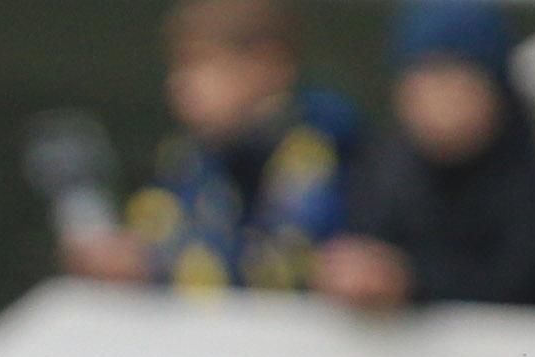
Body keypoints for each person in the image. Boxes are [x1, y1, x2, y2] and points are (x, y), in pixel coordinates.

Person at [69, 0, 359, 298]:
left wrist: (157, 265)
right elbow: (151, 225)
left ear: (267, 63)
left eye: (200, 63)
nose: (179, 85)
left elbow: (283, 266)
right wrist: (124, 257)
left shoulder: (316, 147)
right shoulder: (193, 155)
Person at [317, 1, 535, 315]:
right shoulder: (384, 169)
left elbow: (521, 281)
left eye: (455, 82)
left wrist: (411, 283)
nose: (438, 103)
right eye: (423, 82)